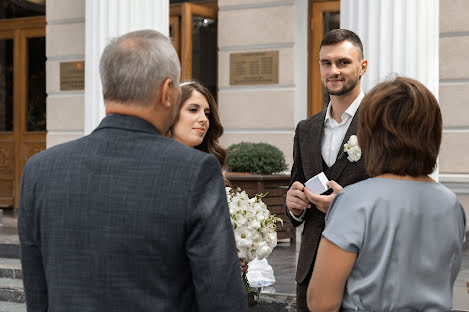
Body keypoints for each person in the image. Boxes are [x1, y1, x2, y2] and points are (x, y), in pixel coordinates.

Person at [18, 30, 247, 312]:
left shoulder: (40, 170)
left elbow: (36, 293)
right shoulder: (194, 171)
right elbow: (221, 298)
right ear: (166, 93)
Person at [307, 77, 466, 311]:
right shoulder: (451, 203)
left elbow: (321, 302)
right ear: (432, 133)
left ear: (370, 134)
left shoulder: (353, 201)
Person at [285, 29, 369, 310]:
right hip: (310, 270)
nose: (333, 70)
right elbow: (297, 185)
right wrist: (293, 205)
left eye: (343, 62)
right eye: (326, 63)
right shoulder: (306, 129)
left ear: (363, 67)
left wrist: (344, 205)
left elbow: (395, 195)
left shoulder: (382, 124)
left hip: (363, 271)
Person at [168, 80, 248, 274]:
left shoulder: (209, 169)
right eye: (193, 110)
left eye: (207, 113)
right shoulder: (154, 169)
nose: (203, 118)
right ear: (171, 113)